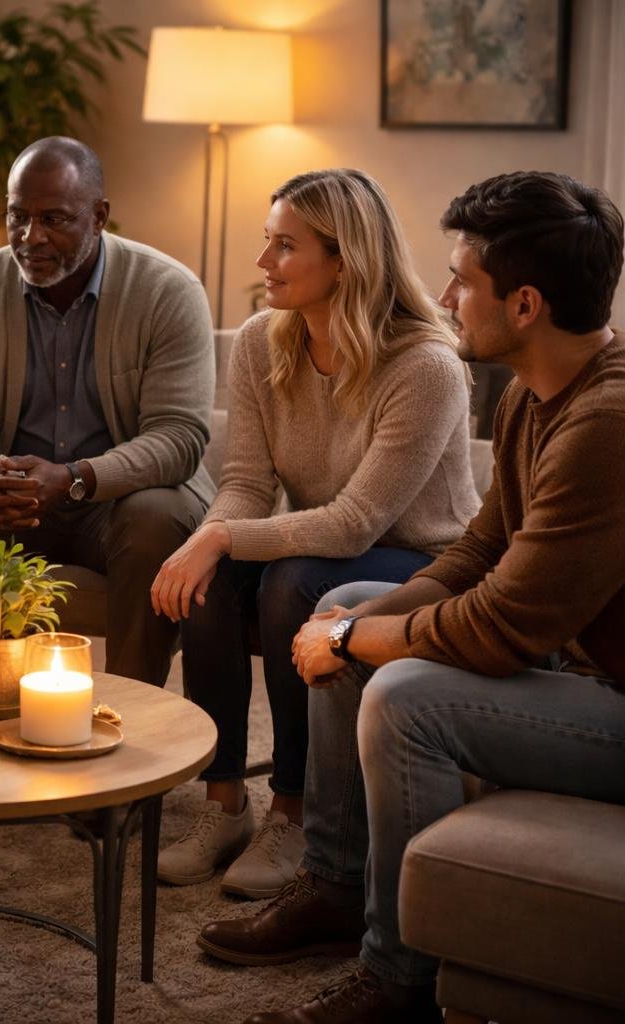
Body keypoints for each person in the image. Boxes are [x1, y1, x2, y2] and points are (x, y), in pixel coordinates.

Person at [201, 171, 625, 1024]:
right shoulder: (547, 390)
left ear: (525, 304)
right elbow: (479, 551)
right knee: (346, 596)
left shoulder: (615, 424)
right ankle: (337, 886)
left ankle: (398, 977)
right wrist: (354, 619)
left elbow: (499, 627)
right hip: (584, 665)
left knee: (406, 694)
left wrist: (352, 645)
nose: (446, 294)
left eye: (464, 279)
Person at [150, 170, 478, 898]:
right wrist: (206, 542)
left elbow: (356, 522)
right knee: (214, 581)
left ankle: (293, 811)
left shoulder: (426, 366)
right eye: (268, 242)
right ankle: (224, 802)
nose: (263, 263)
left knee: (289, 580)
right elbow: (243, 484)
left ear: (345, 260)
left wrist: (221, 539)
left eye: (284, 246)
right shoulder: (263, 341)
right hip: (316, 541)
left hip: (418, 556)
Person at [0, 136, 214, 689]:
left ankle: (133, 721)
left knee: (158, 518)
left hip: (116, 502)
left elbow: (179, 436)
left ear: (100, 217)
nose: (30, 237)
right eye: (18, 216)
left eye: (54, 219)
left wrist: (76, 479)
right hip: (6, 500)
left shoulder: (167, 291)